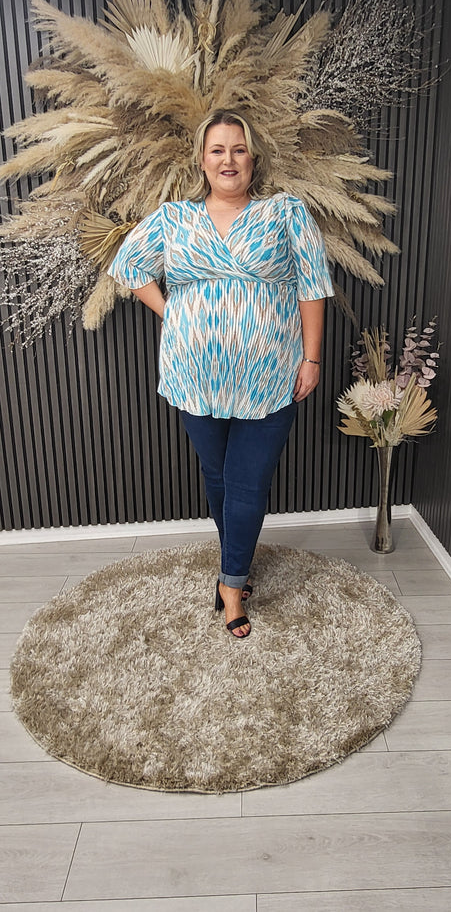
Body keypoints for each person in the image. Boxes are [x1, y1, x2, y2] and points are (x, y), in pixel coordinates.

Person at [109, 108, 334, 638]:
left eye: (238, 149)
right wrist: (174, 313)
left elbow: (312, 285)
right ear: (202, 161)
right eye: (217, 150)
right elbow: (128, 266)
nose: (228, 159)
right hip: (195, 374)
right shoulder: (174, 218)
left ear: (253, 158)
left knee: (247, 481)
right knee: (218, 480)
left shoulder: (285, 213)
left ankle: (231, 584)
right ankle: (237, 561)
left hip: (270, 374)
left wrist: (312, 358)